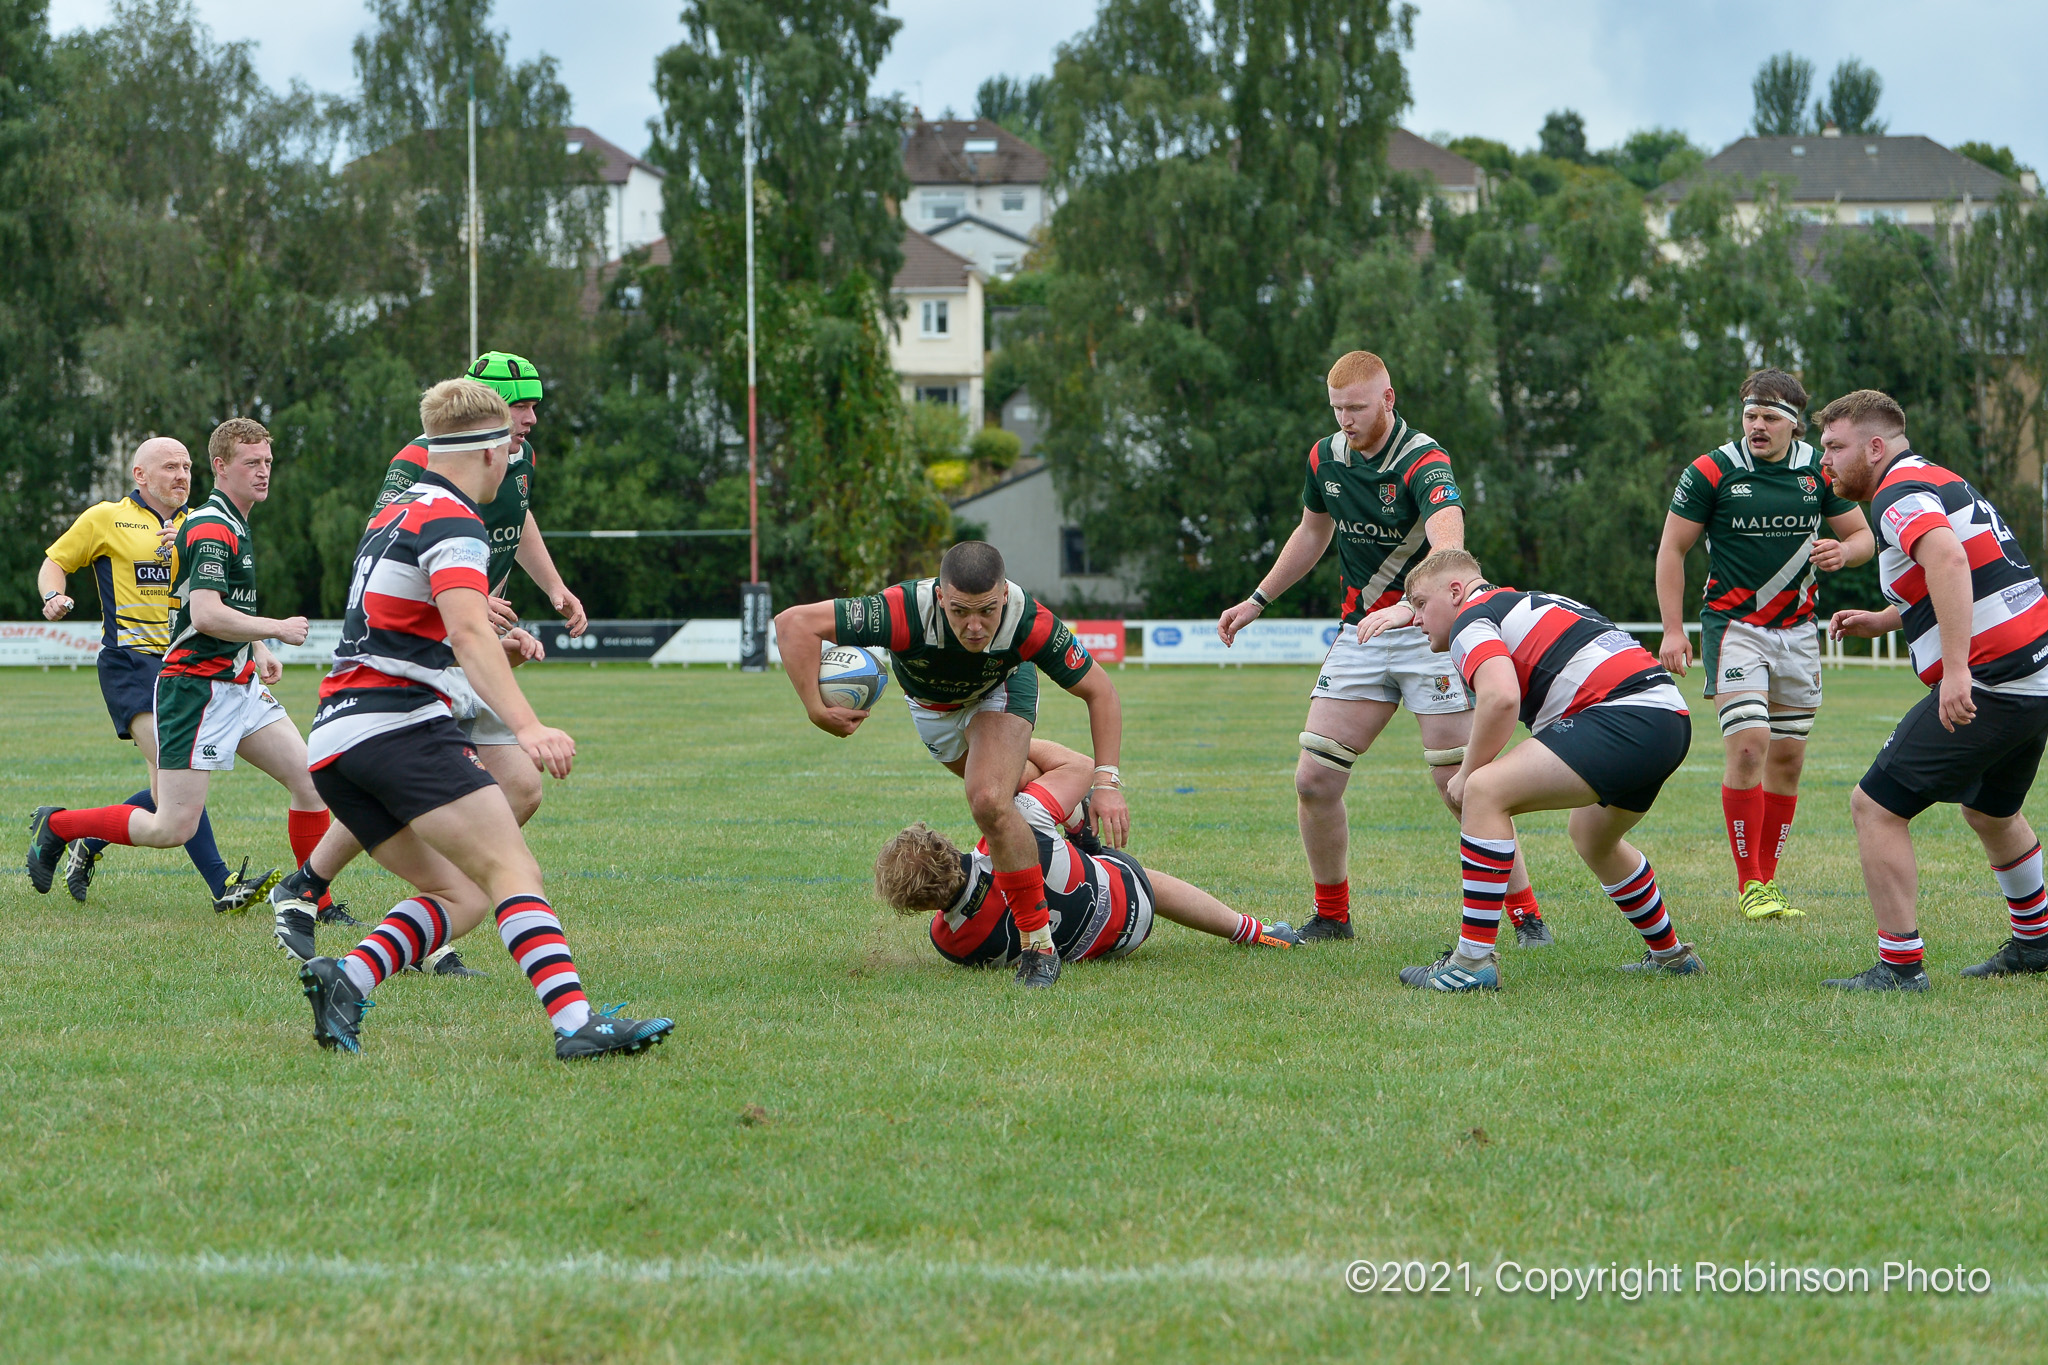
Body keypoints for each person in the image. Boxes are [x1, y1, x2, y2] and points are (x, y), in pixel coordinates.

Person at [295, 377, 671, 1059]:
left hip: (336, 740)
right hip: (398, 726)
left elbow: (418, 632)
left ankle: (345, 975)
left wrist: (494, 652)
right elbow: (466, 636)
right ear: (493, 454)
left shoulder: (397, 512)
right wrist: (527, 726)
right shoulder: (454, 519)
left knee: (459, 892)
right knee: (512, 870)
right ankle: (576, 1023)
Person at [1215, 350, 1548, 945]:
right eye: (1337, 408)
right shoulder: (1325, 457)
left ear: (1388, 399)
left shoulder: (1424, 458)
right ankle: (1333, 916)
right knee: (1314, 778)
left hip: (1431, 633)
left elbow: (1449, 535)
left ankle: (1526, 916)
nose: (1346, 419)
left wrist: (1410, 605)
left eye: (1358, 408)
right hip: (1360, 633)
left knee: (1463, 788)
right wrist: (1257, 600)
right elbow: (1312, 532)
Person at [268, 350, 565, 972]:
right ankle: (383, 906)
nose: (532, 418)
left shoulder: (515, 457)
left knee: (515, 791)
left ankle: (419, 912)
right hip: (423, 662)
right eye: (521, 406)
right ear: (480, 417)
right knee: (486, 815)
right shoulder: (423, 468)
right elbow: (398, 547)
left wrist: (551, 587)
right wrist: (469, 612)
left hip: (440, 655)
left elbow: (518, 516)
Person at [775, 541, 1131, 989]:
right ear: (941, 597)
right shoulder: (902, 610)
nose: (975, 626)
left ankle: (1037, 945)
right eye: (961, 611)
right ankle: (1073, 813)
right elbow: (794, 624)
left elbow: (1101, 692)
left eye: (987, 610)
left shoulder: (1029, 623)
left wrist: (1108, 780)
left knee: (988, 800)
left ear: (1004, 595)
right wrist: (814, 708)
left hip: (1000, 690)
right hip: (932, 710)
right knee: (1010, 786)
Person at [27, 420, 331, 911]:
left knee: (169, 791)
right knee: (174, 799)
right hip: (134, 663)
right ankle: (221, 884)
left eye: (187, 467)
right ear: (139, 474)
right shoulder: (107, 517)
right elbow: (54, 562)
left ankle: (78, 833)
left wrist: (257, 648)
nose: (181, 475)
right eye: (171, 466)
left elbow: (213, 603)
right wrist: (53, 595)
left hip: (200, 664)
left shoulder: (199, 522)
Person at [1818, 390, 2048, 990]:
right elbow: (1962, 567)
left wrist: (1955, 671)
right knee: (1992, 812)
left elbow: (1947, 561)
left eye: (1836, 447)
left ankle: (1899, 967)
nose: (1828, 462)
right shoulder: (1936, 479)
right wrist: (1885, 619)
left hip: (1994, 679)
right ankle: (2037, 943)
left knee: (1875, 807)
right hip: (2035, 676)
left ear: (1875, 446)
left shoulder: (1896, 491)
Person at [1398, 549, 1702, 992]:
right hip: (1669, 717)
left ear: (1456, 591)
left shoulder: (1473, 618)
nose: (1416, 619)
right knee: (1593, 836)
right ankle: (1672, 956)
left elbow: (1501, 699)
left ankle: (1471, 963)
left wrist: (1466, 773)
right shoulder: (1531, 600)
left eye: (1421, 604)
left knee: (1483, 790)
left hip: (1625, 713)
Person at [1656, 369, 1874, 920]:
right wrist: (1674, 629)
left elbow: (1864, 536)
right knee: (1750, 745)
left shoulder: (1817, 473)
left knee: (1789, 760)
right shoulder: (1713, 470)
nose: (1757, 425)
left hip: (1798, 632)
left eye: (1770, 417)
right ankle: (1750, 883)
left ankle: (1769, 883)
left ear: (1794, 426)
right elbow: (1671, 550)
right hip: (1734, 629)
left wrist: (1843, 554)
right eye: (1751, 415)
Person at [877, 739, 1303, 965]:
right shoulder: (1011, 830)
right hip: (1128, 900)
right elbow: (1080, 765)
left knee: (1044, 834)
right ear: (944, 844)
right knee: (1026, 798)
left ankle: (1076, 832)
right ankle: (1255, 932)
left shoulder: (946, 942)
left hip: (1105, 947)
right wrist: (1003, 746)